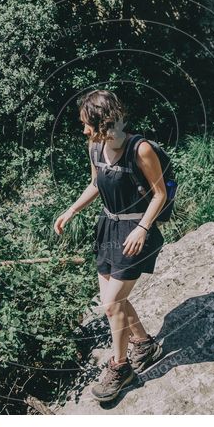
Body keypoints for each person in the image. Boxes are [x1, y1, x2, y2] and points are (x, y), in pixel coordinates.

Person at [53, 89, 166, 402]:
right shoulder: (95, 147)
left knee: (112, 303)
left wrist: (143, 228)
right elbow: (95, 184)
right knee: (111, 299)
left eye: (87, 124)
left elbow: (160, 195)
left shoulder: (139, 149)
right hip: (108, 227)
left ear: (103, 122)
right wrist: (71, 210)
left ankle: (120, 367)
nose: (84, 130)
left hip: (135, 232)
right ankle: (144, 343)